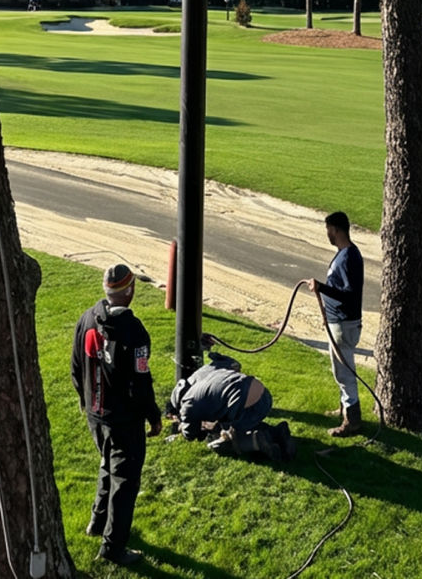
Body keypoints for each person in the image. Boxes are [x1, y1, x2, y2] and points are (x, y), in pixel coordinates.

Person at [72, 264, 162, 567]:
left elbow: (75, 367)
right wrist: (153, 415)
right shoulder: (134, 333)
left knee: (106, 464)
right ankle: (112, 548)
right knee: (125, 482)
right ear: (130, 290)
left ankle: (97, 522)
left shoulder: (87, 318)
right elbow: (140, 382)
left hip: (96, 416)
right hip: (123, 421)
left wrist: (87, 402)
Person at [166, 351, 295, 461]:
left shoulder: (188, 403)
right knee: (228, 418)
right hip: (264, 396)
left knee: (218, 441)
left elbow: (190, 434)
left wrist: (182, 425)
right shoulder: (202, 373)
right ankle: (276, 432)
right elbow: (233, 364)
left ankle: (260, 439)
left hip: (249, 406)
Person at [304, 210, 364, 437]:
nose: (327, 234)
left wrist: (321, 288)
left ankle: (352, 421)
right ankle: (344, 410)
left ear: (336, 230)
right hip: (338, 322)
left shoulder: (349, 258)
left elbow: (349, 294)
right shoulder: (344, 254)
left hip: (343, 324)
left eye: (328, 230)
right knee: (340, 370)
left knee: (344, 373)